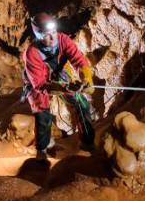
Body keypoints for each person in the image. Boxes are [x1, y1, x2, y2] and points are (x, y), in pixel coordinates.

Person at [21, 12, 95, 160]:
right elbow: (40, 84)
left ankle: (87, 142)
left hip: (56, 72)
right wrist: (62, 89)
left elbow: (79, 59)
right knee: (43, 115)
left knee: (81, 103)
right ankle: (42, 150)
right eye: (47, 35)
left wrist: (86, 78)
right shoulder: (32, 53)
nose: (53, 37)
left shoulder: (62, 39)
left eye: (54, 32)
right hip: (37, 82)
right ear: (39, 36)